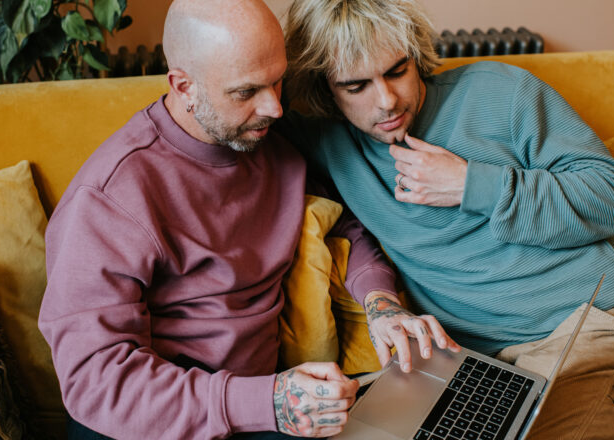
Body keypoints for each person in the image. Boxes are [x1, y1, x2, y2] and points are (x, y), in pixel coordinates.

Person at [37, 0, 458, 439]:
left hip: (262, 409)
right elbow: (97, 383)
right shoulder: (111, 197)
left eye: (278, 82)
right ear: (184, 87)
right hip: (150, 423)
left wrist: (381, 304)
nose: (274, 108)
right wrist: (268, 402)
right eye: (246, 92)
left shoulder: (266, 142)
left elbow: (343, 226)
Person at [279, 0, 614, 438]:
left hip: (586, 331)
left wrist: (472, 185)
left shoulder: (500, 93)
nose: (387, 101)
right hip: (468, 364)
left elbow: (613, 197)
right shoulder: (326, 139)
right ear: (324, 88)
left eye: (396, 71)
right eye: (356, 87)